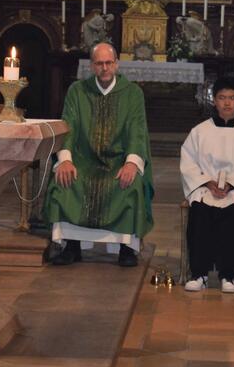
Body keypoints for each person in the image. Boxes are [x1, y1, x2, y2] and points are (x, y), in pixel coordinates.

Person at [43, 43, 154, 267]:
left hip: (118, 161)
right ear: (92, 66)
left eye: (109, 63)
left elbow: (137, 130)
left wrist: (132, 163)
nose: (104, 68)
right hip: (84, 160)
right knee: (65, 179)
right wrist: (65, 160)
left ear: (116, 64)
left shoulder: (132, 93)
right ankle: (72, 246)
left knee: (130, 184)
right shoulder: (77, 90)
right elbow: (69, 126)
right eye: (99, 63)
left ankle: (127, 248)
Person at [180, 76, 234, 293]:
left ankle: (229, 274)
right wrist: (208, 181)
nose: (227, 103)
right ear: (214, 101)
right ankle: (199, 274)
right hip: (206, 187)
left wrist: (230, 185)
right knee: (199, 210)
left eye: (232, 98)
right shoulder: (199, 132)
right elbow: (188, 162)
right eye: (222, 98)